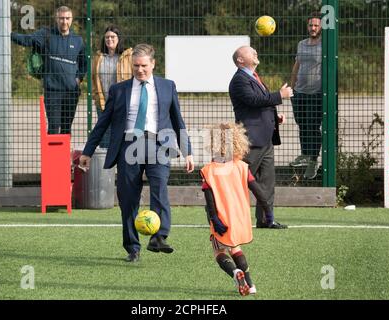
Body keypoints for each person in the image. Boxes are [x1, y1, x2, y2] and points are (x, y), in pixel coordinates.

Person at [79, 44, 194, 262]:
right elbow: (103, 123)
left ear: (153, 64)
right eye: (135, 66)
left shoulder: (168, 86)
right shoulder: (118, 90)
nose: (139, 70)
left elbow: (178, 120)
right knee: (128, 198)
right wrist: (88, 150)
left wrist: (187, 150)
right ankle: (133, 248)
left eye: (144, 66)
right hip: (128, 146)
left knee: (159, 189)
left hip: (159, 144)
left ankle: (159, 237)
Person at [229, 46, 293, 229]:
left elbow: (260, 103)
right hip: (250, 140)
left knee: (266, 183)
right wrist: (280, 95)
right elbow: (254, 101)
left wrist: (275, 117)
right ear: (240, 60)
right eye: (251, 52)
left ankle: (266, 220)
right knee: (237, 182)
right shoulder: (239, 80)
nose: (256, 52)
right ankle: (220, 214)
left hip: (265, 139)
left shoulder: (253, 77)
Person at [200, 122, 257, 296]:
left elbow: (209, 200)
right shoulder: (241, 166)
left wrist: (214, 218)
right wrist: (267, 209)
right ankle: (251, 284)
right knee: (236, 248)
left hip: (221, 218)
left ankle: (234, 272)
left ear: (213, 143)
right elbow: (257, 189)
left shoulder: (209, 170)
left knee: (219, 251)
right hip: (239, 218)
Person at [11, 6, 87, 134]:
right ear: (56, 19)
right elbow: (27, 40)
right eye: (61, 18)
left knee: (66, 128)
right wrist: (9, 34)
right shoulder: (45, 35)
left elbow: (84, 63)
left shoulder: (78, 40)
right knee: (53, 127)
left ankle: (64, 154)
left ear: (71, 19)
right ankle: (53, 154)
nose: (64, 21)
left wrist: (78, 79)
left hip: (71, 92)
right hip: (53, 91)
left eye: (67, 18)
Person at [289, 12, 323, 179]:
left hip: (316, 92)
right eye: (310, 25)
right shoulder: (301, 44)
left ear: (321, 26)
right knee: (302, 124)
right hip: (299, 91)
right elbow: (297, 65)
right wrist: (292, 87)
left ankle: (313, 160)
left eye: (316, 25)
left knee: (312, 126)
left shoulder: (325, 44)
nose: (313, 28)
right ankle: (304, 154)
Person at [92, 25, 133, 148]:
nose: (109, 39)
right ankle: (106, 165)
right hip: (104, 103)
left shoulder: (127, 57)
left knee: (123, 136)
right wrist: (97, 97)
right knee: (105, 138)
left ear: (118, 38)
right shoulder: (98, 58)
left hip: (123, 103)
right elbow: (93, 79)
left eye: (113, 37)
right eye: (107, 37)